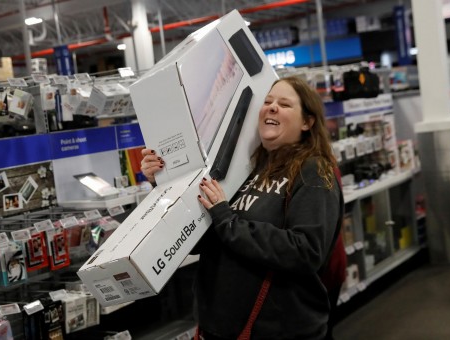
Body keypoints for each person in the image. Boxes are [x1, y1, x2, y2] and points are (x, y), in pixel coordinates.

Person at [141, 76, 343, 340]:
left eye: (284, 104)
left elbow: (306, 250)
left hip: (277, 331)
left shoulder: (313, 171)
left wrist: (226, 218)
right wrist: (162, 183)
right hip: (219, 328)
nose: (272, 107)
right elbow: (203, 240)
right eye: (268, 101)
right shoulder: (247, 169)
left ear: (307, 122)